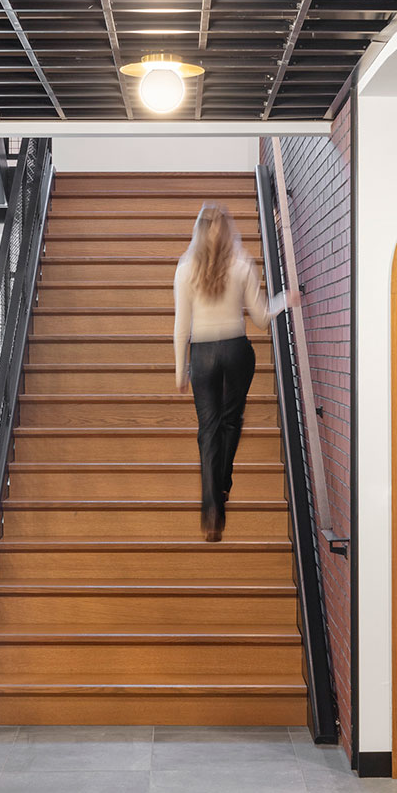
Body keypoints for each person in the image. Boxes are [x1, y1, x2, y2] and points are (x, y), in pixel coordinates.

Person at [173, 204, 285, 542]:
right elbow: (262, 317)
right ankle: (222, 486)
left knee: (208, 430)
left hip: (203, 353)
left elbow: (182, 325)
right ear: (229, 231)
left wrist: (181, 368)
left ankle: (211, 507)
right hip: (236, 350)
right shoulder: (242, 264)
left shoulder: (185, 268)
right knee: (231, 421)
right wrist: (283, 300)